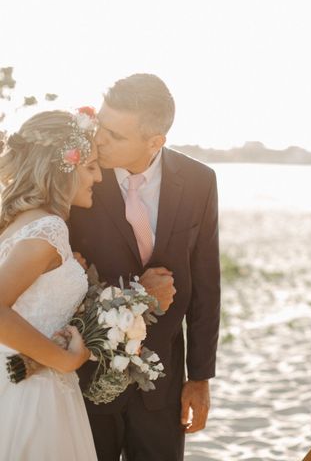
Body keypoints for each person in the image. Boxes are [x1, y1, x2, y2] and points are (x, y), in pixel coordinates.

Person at [69, 74, 221, 461]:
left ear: (155, 141)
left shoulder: (200, 181)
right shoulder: (78, 176)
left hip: (163, 380)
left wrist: (199, 377)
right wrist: (139, 292)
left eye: (115, 136)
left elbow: (205, 281)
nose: (100, 140)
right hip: (85, 376)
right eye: (101, 126)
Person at [0, 109, 102, 459]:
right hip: (35, 394)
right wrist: (64, 360)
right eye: (90, 166)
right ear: (64, 166)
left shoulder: (18, 222)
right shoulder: (49, 228)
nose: (99, 177)